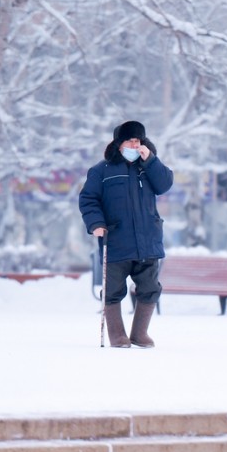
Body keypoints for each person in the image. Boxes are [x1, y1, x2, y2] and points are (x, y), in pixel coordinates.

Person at [79, 121, 174, 348]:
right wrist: (96, 224)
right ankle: (117, 335)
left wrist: (150, 160)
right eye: (130, 140)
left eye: (138, 140)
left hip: (148, 240)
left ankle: (140, 333)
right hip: (116, 240)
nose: (135, 144)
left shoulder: (148, 167)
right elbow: (88, 199)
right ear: (119, 143)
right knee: (113, 290)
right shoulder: (101, 171)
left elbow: (165, 184)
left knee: (150, 288)